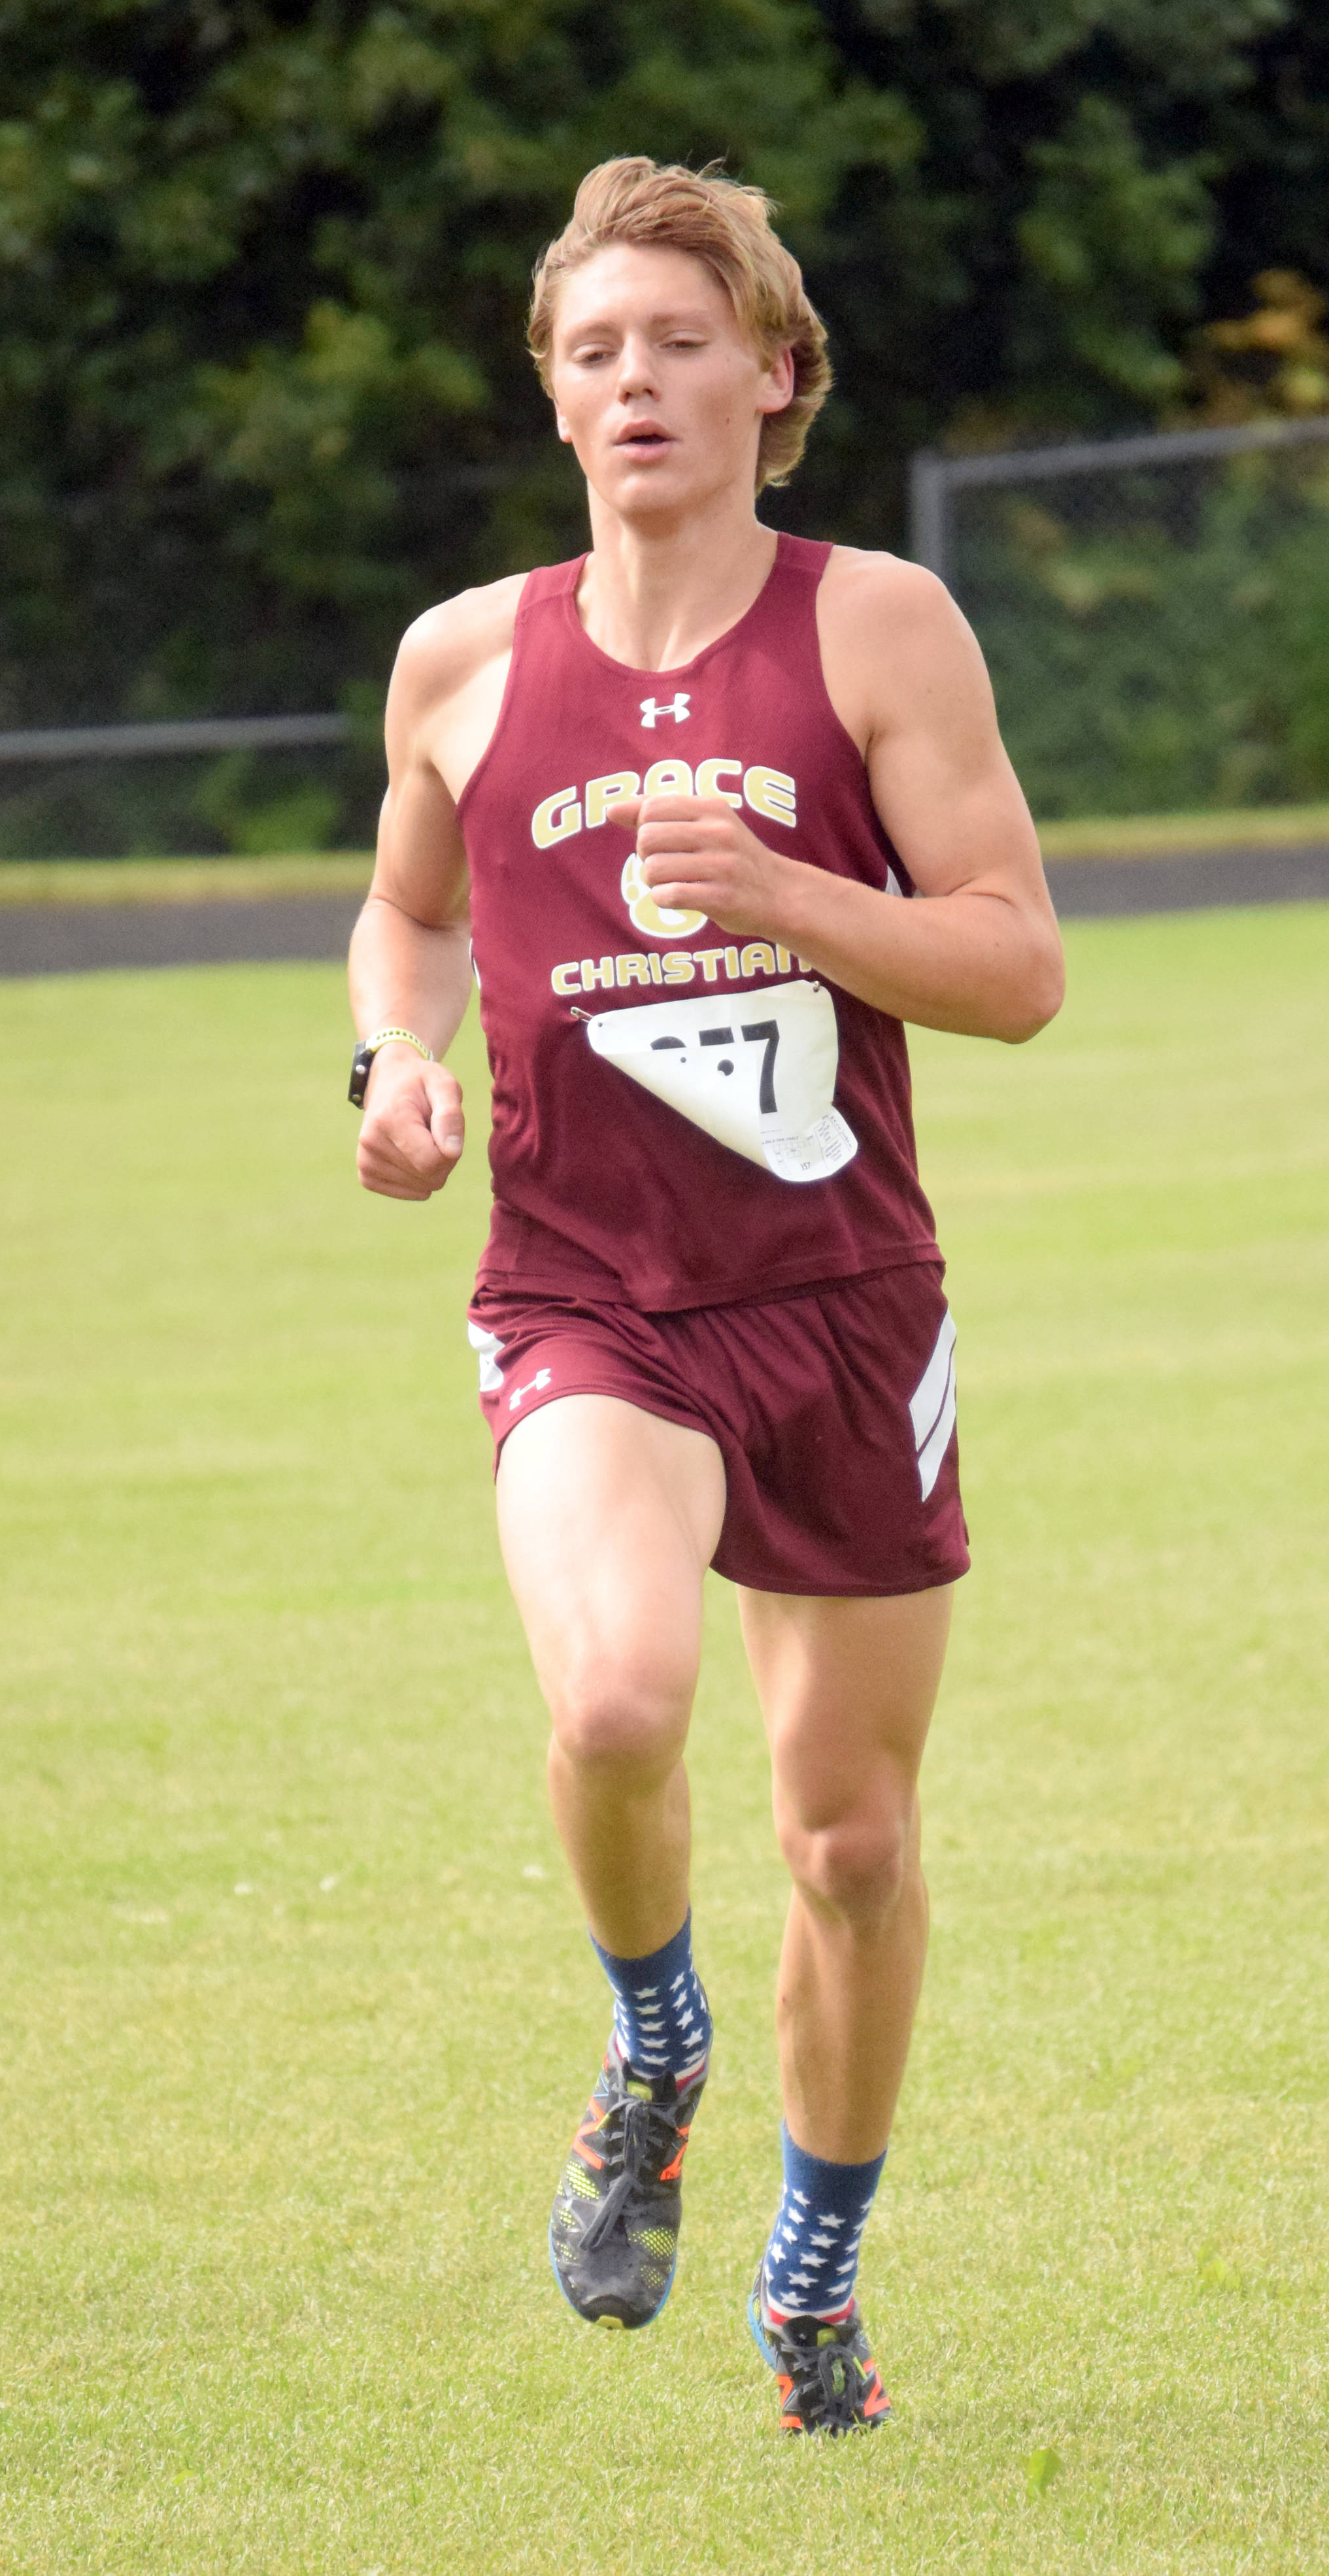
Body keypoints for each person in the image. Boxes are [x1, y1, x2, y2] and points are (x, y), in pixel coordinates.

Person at [347, 155, 1063, 2437]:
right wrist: (397, 1063)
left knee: (849, 1843)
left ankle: (811, 2283)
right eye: (591, 350)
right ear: (552, 400)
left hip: (845, 1297)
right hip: (592, 1297)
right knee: (624, 1702)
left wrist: (778, 883)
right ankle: (652, 2043)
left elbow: (1019, 966)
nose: (634, 380)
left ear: (776, 373)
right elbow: (412, 916)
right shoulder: (464, 658)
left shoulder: (878, 631)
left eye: (678, 340)